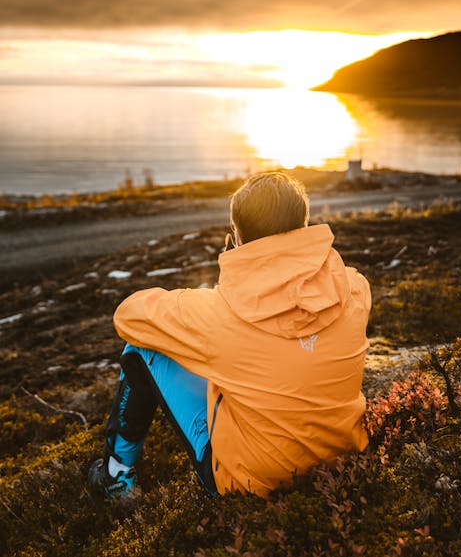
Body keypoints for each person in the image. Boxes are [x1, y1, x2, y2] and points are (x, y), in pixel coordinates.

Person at [89, 172, 371, 498]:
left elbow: (127, 316)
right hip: (343, 460)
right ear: (304, 228)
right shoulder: (355, 288)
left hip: (250, 485)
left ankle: (115, 477)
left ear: (236, 237)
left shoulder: (217, 315)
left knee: (142, 346)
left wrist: (233, 277)